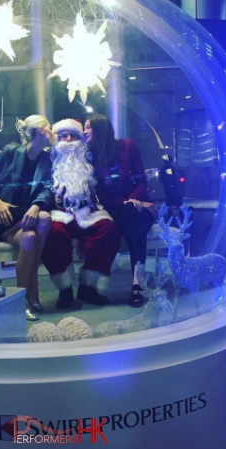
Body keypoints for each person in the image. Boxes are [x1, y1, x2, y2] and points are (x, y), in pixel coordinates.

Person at [0, 115, 54, 321]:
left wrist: (35, 206)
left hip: (23, 222)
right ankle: (32, 289)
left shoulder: (46, 159)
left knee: (30, 238)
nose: (53, 132)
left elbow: (47, 189)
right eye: (50, 128)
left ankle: (19, 299)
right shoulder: (10, 152)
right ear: (41, 130)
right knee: (44, 218)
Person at [41, 119, 120, 308]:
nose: (69, 140)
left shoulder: (90, 161)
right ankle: (65, 289)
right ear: (57, 139)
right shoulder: (48, 162)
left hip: (88, 211)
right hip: (60, 212)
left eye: (74, 135)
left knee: (107, 230)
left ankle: (88, 288)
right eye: (63, 136)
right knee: (54, 233)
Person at [84, 114, 157, 306]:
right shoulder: (91, 158)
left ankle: (136, 284)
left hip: (139, 206)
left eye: (88, 127)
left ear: (100, 129)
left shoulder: (127, 145)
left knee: (135, 223)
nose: (84, 131)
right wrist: (127, 203)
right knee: (127, 225)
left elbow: (141, 179)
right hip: (117, 209)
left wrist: (134, 201)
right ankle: (136, 284)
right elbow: (102, 194)